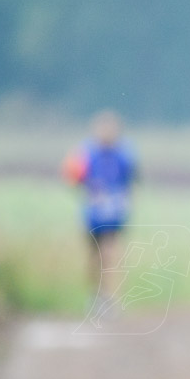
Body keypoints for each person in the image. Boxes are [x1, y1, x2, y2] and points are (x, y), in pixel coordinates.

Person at [62, 110, 137, 304]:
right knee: (93, 257)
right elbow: (73, 178)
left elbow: (132, 178)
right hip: (93, 215)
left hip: (114, 215)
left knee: (110, 254)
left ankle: (111, 297)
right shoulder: (86, 153)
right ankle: (95, 295)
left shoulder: (124, 154)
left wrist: (123, 198)